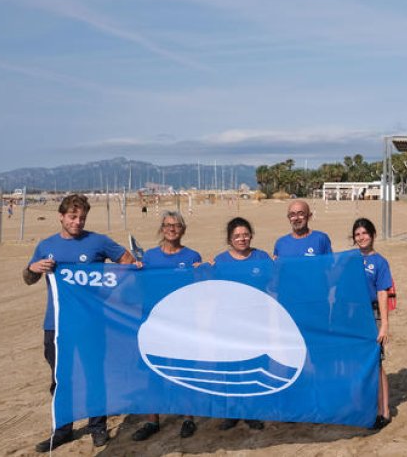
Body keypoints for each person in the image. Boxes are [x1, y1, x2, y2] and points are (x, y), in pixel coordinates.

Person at [23, 193, 135, 452]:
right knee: (61, 379)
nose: (77, 222)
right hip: (57, 325)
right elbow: (28, 278)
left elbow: (128, 262)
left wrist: (113, 293)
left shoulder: (98, 242)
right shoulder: (46, 245)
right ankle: (62, 429)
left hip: (92, 324)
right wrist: (34, 268)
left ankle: (97, 428)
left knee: (94, 376)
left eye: (82, 217)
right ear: (61, 216)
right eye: (72, 217)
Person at [131, 211, 202, 441]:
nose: (172, 229)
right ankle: (153, 421)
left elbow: (201, 288)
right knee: (153, 372)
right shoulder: (149, 257)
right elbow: (137, 286)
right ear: (162, 229)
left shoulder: (193, 256)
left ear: (183, 229)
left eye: (177, 225)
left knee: (184, 371)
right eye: (168, 225)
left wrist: (204, 270)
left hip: (183, 324)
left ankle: (188, 418)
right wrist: (135, 270)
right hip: (154, 324)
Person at [211, 217, 268, 431]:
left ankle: (251, 411)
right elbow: (208, 288)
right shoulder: (220, 261)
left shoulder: (262, 257)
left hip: (255, 325)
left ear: (251, 235)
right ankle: (232, 411)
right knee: (230, 368)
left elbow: (278, 280)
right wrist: (199, 269)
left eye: (245, 234)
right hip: (228, 325)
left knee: (252, 367)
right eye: (237, 236)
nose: (242, 239)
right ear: (229, 239)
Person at [350, 218, 393, 430]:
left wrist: (384, 324)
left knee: (376, 364)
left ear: (372, 234)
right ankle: (365, 407)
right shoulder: (349, 259)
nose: (361, 237)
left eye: (364, 233)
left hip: (372, 314)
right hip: (353, 315)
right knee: (359, 363)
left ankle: (383, 411)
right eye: (357, 234)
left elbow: (383, 292)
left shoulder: (380, 262)